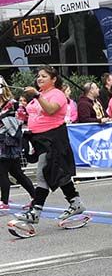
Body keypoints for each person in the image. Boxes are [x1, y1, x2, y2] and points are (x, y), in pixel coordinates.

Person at [13, 67, 86, 227]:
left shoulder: (57, 94)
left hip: (53, 138)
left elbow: (51, 110)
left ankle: (35, 211)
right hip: (39, 139)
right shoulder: (39, 95)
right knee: (56, 173)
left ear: (53, 79)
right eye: (38, 76)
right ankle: (76, 202)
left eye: (44, 76)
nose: (39, 78)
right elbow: (33, 113)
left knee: (43, 173)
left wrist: (37, 95)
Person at [0, 96, 35, 210]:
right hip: (6, 143)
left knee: (4, 172)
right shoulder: (8, 106)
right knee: (16, 173)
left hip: (8, 144)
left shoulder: (12, 105)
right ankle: (35, 197)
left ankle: (4, 201)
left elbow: (16, 123)